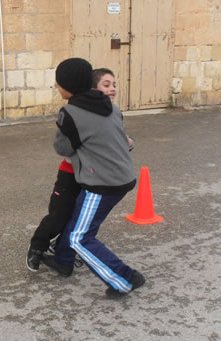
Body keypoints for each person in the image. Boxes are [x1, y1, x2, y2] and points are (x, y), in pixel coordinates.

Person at [41, 57, 145, 298]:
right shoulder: (109, 105)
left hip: (103, 184)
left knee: (80, 236)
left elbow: (63, 149)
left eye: (59, 83)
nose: (57, 87)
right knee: (78, 219)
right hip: (122, 176)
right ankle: (63, 260)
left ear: (68, 86)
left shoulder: (70, 113)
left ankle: (125, 279)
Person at [26, 66, 134, 272]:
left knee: (78, 218)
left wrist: (126, 143)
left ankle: (64, 256)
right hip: (71, 173)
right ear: (91, 87)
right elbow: (63, 148)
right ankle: (37, 247)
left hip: (94, 176)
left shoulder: (112, 111)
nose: (112, 89)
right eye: (106, 85)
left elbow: (118, 142)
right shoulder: (75, 113)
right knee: (59, 215)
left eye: (114, 85)